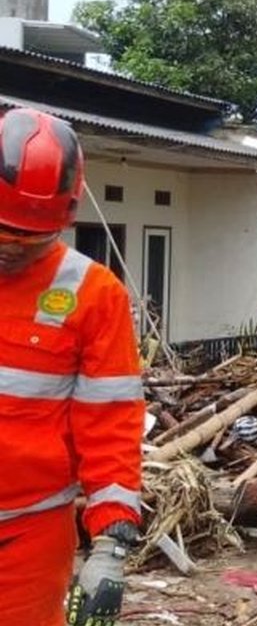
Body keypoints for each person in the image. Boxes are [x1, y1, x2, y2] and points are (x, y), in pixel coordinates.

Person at [0, 108, 144, 625]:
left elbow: (110, 421)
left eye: (27, 238)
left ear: (67, 217)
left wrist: (111, 543)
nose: (9, 250)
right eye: (1, 232)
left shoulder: (93, 294)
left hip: (28, 534)